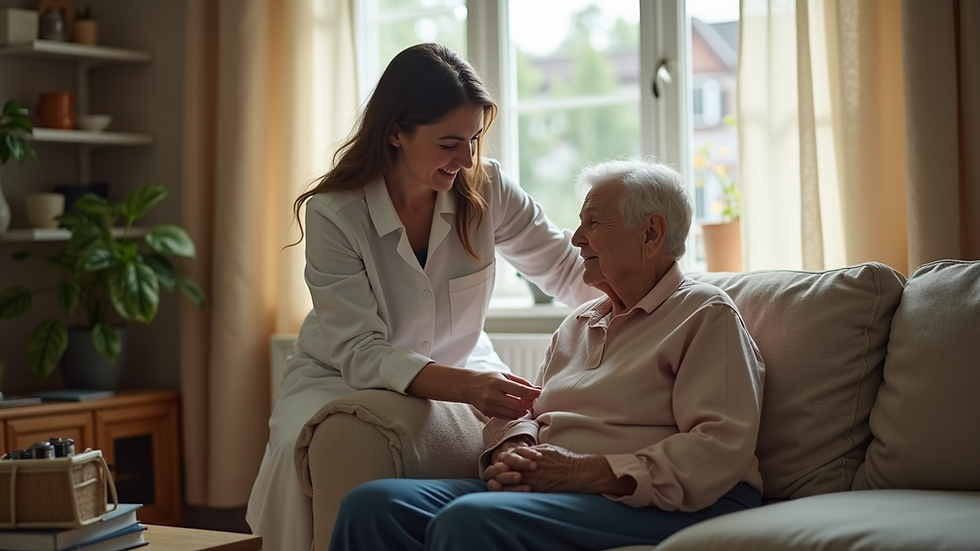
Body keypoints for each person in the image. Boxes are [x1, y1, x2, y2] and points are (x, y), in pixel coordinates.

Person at [246, 43, 601, 551]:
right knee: (296, 450)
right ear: (395, 132)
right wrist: (468, 387)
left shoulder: (488, 186)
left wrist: (655, 307)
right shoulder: (335, 213)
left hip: (463, 365)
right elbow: (359, 352)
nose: (468, 158)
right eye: (449, 142)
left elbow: (568, 271)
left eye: (476, 137)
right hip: (337, 378)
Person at [327, 159, 767, 551]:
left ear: (651, 233)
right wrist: (516, 444)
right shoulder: (579, 323)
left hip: (662, 499)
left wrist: (581, 473)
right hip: (561, 489)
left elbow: (718, 447)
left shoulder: (704, 313)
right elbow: (531, 407)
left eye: (593, 223)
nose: (576, 238)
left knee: (470, 522)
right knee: (372, 504)